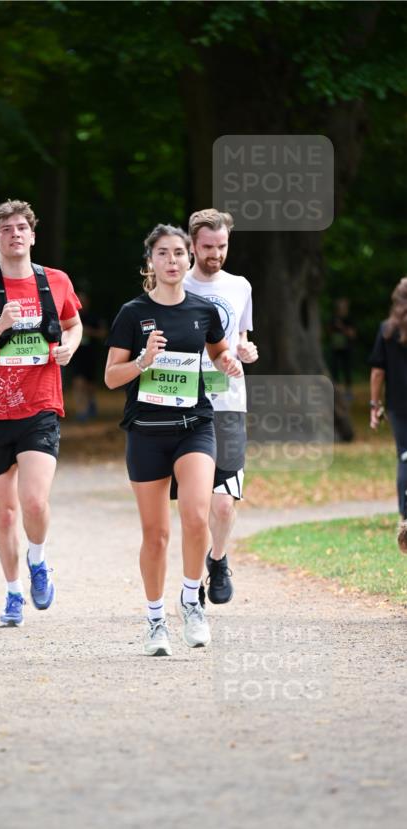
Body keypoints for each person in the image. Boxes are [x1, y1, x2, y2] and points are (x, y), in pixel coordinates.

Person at [105, 224, 242, 655]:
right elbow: (111, 377)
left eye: (179, 253)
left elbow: (220, 351)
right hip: (147, 432)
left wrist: (229, 361)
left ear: (189, 260)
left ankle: (190, 599)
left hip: (194, 425)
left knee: (198, 516)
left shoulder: (204, 310)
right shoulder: (132, 313)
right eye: (163, 254)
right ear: (151, 262)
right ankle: (155, 619)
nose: (172, 261)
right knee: (156, 534)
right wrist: (144, 360)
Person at [0, 199, 82, 627]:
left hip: (41, 405)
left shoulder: (55, 281)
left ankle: (39, 561)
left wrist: (70, 346)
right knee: (5, 512)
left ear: (32, 235)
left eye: (21, 228)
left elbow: (73, 323)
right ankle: (12, 593)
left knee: (34, 500)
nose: (14, 234)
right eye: (6, 229)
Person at [184, 209, 258, 605]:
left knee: (223, 503)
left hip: (228, 401)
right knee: (195, 505)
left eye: (222, 246)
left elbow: (240, 339)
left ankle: (218, 559)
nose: (215, 254)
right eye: (208, 247)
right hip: (185, 400)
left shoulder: (240, 286)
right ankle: (191, 581)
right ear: (193, 244)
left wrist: (245, 350)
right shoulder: (177, 284)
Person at [369, 277, 407, 553]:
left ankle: (405, 514)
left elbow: (378, 371)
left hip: (397, 405)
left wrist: (374, 405)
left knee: (405, 455)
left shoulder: (387, 331)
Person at [69, 290, 107, 421]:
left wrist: (89, 332)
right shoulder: (70, 316)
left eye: (83, 300)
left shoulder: (94, 317)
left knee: (90, 385)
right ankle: (81, 411)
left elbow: (103, 333)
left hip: (90, 355)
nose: (81, 303)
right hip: (75, 355)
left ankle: (91, 403)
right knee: (78, 383)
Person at [329, 297, 356, 399]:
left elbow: (352, 334)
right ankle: (334, 390)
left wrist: (342, 327)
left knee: (347, 369)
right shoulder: (333, 318)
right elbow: (329, 332)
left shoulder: (349, 319)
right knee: (334, 369)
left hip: (347, 348)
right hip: (336, 347)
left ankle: (348, 391)